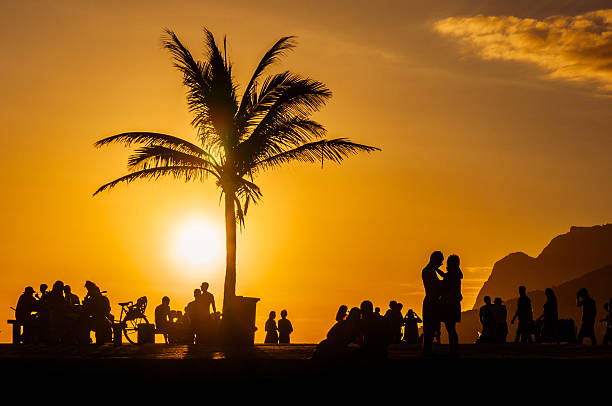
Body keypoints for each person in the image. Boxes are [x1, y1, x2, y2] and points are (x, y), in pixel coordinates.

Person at [438, 254, 462, 355]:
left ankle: (453, 350)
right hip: (454, 303)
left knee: (450, 328)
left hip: (449, 304)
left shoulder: (451, 275)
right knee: (451, 328)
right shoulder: (456, 274)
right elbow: (445, 276)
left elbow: (446, 283)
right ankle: (453, 349)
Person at [421, 251, 444, 356]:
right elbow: (435, 287)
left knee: (431, 327)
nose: (441, 264)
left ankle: (429, 349)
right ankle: (428, 350)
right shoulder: (429, 271)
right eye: (440, 262)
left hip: (431, 301)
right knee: (431, 327)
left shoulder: (429, 271)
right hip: (432, 302)